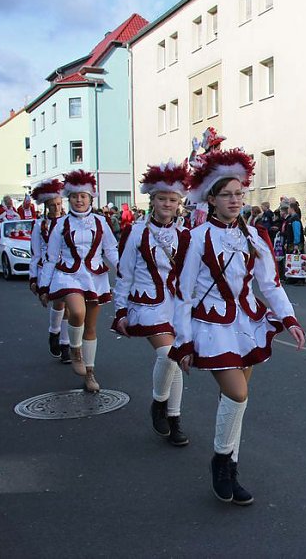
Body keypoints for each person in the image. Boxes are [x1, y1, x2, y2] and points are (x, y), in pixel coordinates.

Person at [169, 147, 306, 504]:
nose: (234, 200)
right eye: (226, 194)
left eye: (239, 193)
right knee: (237, 394)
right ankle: (219, 460)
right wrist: (182, 343)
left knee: (238, 402)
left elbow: (270, 284)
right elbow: (182, 295)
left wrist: (289, 318)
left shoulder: (254, 235)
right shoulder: (195, 238)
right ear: (211, 199)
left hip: (247, 323)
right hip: (212, 326)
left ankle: (231, 464)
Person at [113, 161, 191, 447]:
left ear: (179, 202)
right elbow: (124, 274)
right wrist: (120, 310)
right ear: (152, 200)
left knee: (177, 358)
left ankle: (174, 417)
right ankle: (159, 403)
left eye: (173, 199)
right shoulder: (136, 233)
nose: (167, 204)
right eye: (162, 199)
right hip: (146, 305)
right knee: (168, 353)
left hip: (176, 305)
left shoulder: (185, 235)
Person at [38, 170, 119, 393]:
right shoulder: (61, 225)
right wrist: (44, 286)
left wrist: (123, 268)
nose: (79, 200)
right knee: (77, 312)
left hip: (94, 277)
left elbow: (111, 249)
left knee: (91, 328)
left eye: (83, 196)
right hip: (68, 275)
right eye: (74, 196)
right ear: (69, 199)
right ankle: (75, 351)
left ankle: (90, 373)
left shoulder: (101, 222)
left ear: (91, 198)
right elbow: (51, 258)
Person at [28, 179, 70, 364]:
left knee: (69, 306)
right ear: (46, 206)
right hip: (49, 270)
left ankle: (66, 345)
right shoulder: (39, 225)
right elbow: (35, 253)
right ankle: (54, 331)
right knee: (59, 304)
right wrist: (33, 278)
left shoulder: (70, 222)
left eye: (59, 204)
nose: (57, 208)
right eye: (52, 205)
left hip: (68, 269)